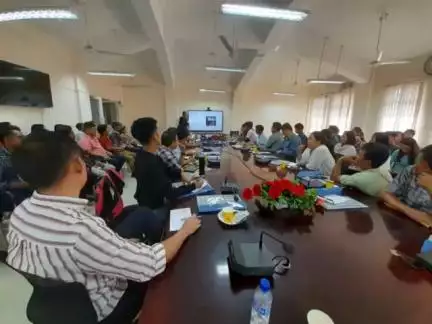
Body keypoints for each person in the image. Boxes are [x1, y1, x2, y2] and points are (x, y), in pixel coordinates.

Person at [6, 131, 202, 324]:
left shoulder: (20, 213)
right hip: (106, 308)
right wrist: (184, 230)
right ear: (76, 165)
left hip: (58, 306)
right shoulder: (81, 229)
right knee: (173, 279)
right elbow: (150, 263)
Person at [132, 118, 201, 209]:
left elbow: (167, 170)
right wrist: (193, 186)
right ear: (154, 136)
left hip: (148, 201)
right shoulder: (151, 163)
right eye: (157, 131)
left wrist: (181, 174)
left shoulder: (143, 154)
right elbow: (170, 193)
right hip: (155, 207)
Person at [380, 145, 432, 227]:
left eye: (419, 162)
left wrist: (430, 189)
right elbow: (386, 194)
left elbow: (429, 220)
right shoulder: (410, 170)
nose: (415, 165)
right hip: (403, 222)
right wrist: (406, 210)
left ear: (427, 167)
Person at [0, 126, 31, 210]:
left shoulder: (24, 155)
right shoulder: (2, 159)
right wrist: (12, 185)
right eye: (19, 137)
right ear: (7, 140)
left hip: (27, 200)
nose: (23, 139)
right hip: (8, 204)